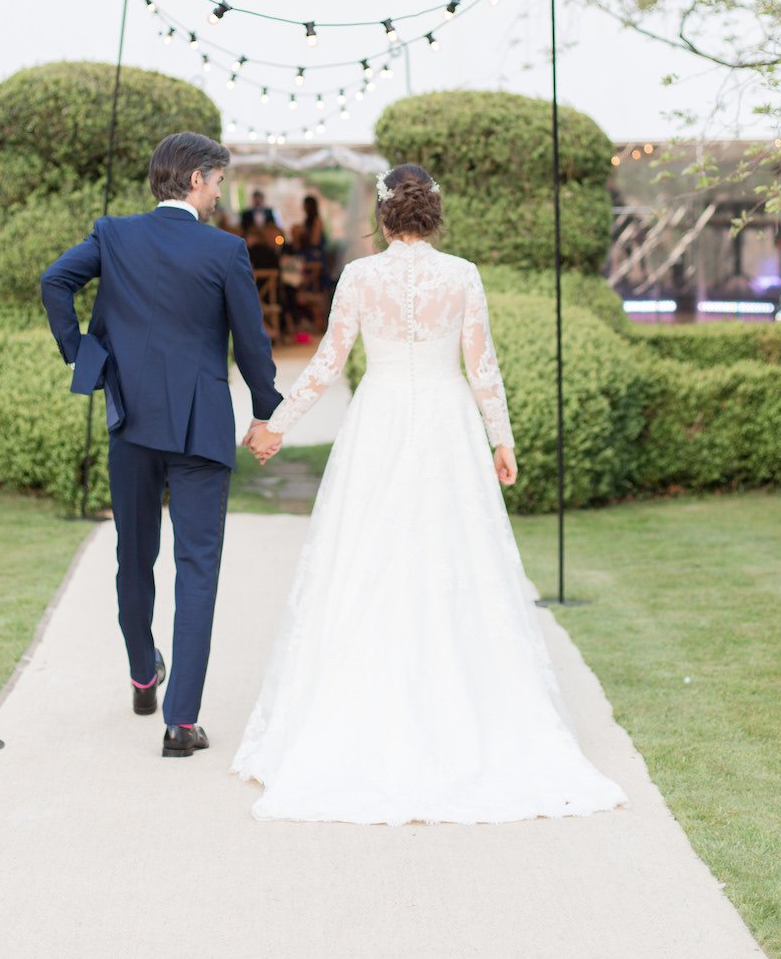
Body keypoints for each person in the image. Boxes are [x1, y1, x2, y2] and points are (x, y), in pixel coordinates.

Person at [231, 163, 629, 825]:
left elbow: (329, 361)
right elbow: (483, 367)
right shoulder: (462, 275)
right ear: (433, 215)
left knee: (368, 557)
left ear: (384, 219)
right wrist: (502, 440)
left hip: (381, 420)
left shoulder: (361, 276)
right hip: (448, 425)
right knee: (454, 554)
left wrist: (275, 426)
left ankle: (357, 712)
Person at [41, 132, 282, 758]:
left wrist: (87, 359)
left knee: (134, 555)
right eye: (221, 180)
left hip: (132, 423)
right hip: (201, 428)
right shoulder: (226, 250)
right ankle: (181, 724)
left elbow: (53, 283)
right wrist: (265, 411)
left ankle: (144, 672)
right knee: (197, 569)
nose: (222, 191)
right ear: (198, 179)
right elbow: (252, 343)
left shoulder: (114, 234)